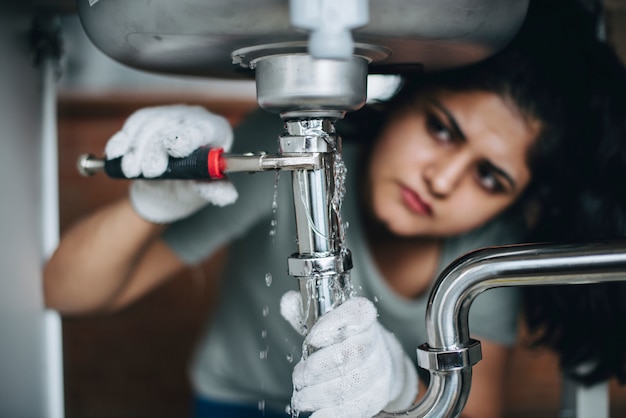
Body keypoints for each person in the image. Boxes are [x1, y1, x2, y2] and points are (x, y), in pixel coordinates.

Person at [43, 0, 626, 417]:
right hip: (240, 403)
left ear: (516, 198)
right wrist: (149, 205)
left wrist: (403, 394)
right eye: (442, 130)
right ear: (399, 105)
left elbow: (479, 407)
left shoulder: (487, 241)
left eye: (489, 176)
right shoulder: (284, 148)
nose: (442, 179)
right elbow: (68, 292)